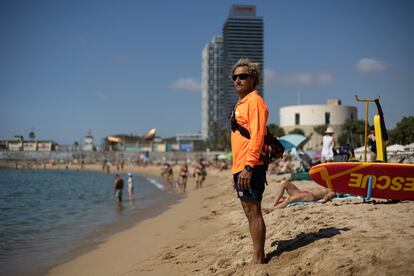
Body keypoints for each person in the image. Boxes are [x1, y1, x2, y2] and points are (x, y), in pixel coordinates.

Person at [230, 58, 268, 264]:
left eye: (242, 76)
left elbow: (257, 136)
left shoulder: (255, 101)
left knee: (253, 211)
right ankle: (258, 255)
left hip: (250, 166)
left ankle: (258, 259)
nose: (237, 80)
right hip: (241, 166)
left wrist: (248, 167)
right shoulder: (242, 102)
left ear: (253, 78)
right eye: (234, 77)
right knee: (249, 211)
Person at [272, 179, 336, 208]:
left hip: (310, 196)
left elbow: (327, 197)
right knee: (284, 182)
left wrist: (328, 197)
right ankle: (274, 204)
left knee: (289, 199)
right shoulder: (325, 185)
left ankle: (272, 209)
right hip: (301, 192)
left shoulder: (332, 191)